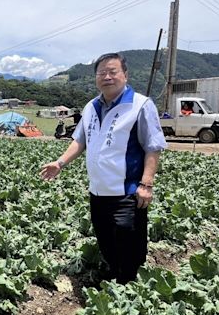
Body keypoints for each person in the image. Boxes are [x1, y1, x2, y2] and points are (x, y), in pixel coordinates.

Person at [40, 53, 167, 284]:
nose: (107, 77)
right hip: (98, 191)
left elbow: (153, 147)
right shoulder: (91, 106)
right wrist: (59, 163)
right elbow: (79, 141)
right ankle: (113, 275)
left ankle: (128, 285)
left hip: (127, 191)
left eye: (113, 71)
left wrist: (146, 184)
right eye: (101, 73)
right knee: (106, 239)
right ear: (96, 78)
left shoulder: (140, 105)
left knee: (129, 241)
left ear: (125, 75)